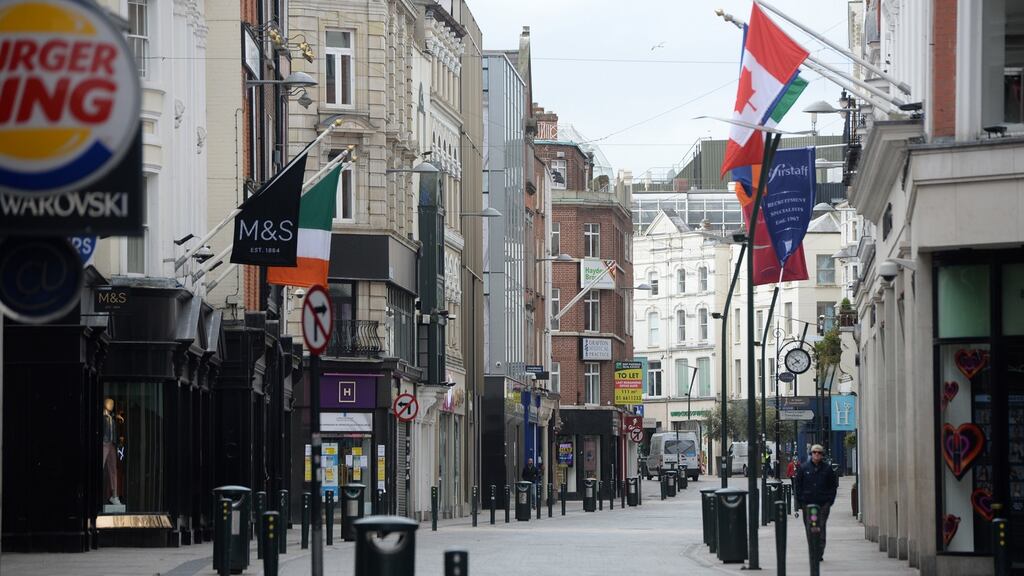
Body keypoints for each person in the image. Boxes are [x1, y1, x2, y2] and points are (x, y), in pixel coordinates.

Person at [793, 445, 839, 562]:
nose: (816, 454)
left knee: (820, 526)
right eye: (814, 452)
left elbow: (833, 486)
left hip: (823, 504)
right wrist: (800, 501)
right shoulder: (804, 468)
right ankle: (813, 550)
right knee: (810, 527)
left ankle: (819, 551)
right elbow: (798, 486)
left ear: (822, 454)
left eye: (819, 452)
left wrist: (830, 500)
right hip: (808, 504)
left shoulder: (827, 469)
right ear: (811, 454)